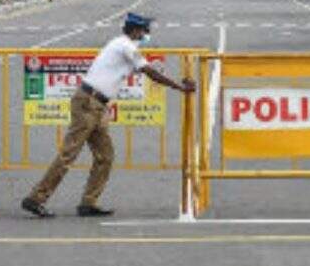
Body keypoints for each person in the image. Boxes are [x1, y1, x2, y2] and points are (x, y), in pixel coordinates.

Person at [22, 13, 196, 218]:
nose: (146, 34)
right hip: (88, 103)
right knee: (69, 154)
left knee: (105, 156)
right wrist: (180, 87)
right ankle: (36, 198)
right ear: (134, 30)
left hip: (97, 105)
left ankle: (89, 202)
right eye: (144, 30)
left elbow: (148, 71)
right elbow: (151, 73)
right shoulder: (125, 46)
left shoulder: (124, 46)